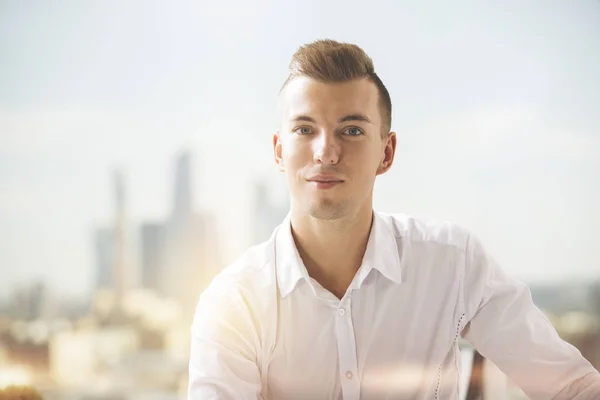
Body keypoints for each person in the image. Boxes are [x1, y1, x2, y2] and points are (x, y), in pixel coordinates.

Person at [188, 39, 600, 399]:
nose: (326, 152)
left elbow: (571, 387)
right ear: (279, 151)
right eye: (304, 129)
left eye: (351, 130)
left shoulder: (453, 263)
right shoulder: (233, 302)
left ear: (386, 153)